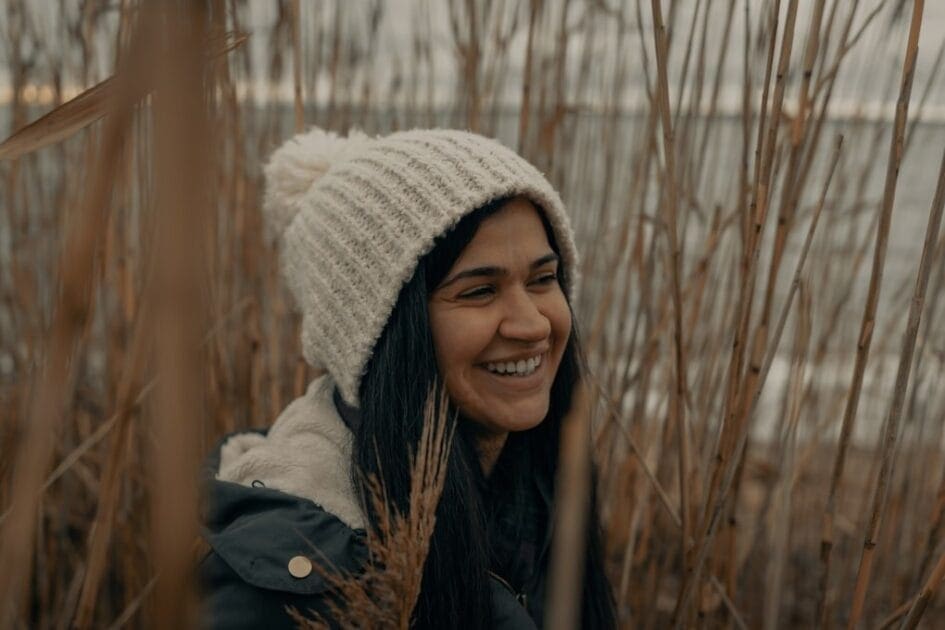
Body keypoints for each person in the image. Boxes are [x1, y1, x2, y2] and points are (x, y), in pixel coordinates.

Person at [198, 127, 617, 629]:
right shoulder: (295, 579)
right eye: (479, 291)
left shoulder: (530, 484)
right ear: (383, 335)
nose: (533, 325)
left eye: (543, 279)